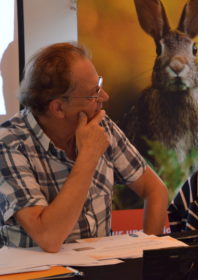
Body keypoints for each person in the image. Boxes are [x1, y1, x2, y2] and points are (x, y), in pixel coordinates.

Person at [0, 42, 169, 252]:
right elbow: (49, 238)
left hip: (100, 267)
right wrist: (88, 155)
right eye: (93, 93)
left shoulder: (99, 125)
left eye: (99, 84)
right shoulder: (9, 143)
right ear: (58, 108)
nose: (104, 97)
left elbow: (155, 190)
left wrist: (148, 253)